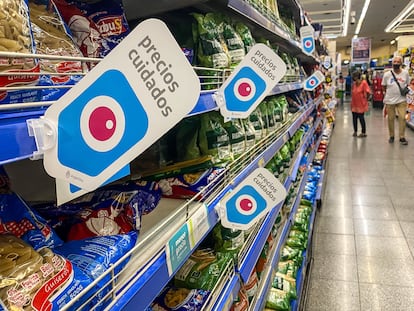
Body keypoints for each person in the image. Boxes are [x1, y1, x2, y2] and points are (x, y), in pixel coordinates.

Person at [382, 55, 410, 144]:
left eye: (398, 62)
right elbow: (383, 86)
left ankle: (402, 136)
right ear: (392, 63)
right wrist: (387, 94)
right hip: (390, 100)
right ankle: (391, 135)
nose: (396, 64)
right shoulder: (387, 74)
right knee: (390, 118)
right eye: (395, 62)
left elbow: (408, 84)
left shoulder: (405, 73)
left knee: (402, 118)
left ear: (401, 63)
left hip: (402, 100)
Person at [351, 71, 371, 137]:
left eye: (356, 78)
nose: (355, 80)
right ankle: (355, 131)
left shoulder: (364, 83)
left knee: (361, 118)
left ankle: (363, 132)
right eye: (354, 79)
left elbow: (368, 92)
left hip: (361, 104)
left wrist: (366, 99)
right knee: (354, 118)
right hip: (354, 104)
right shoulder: (354, 84)